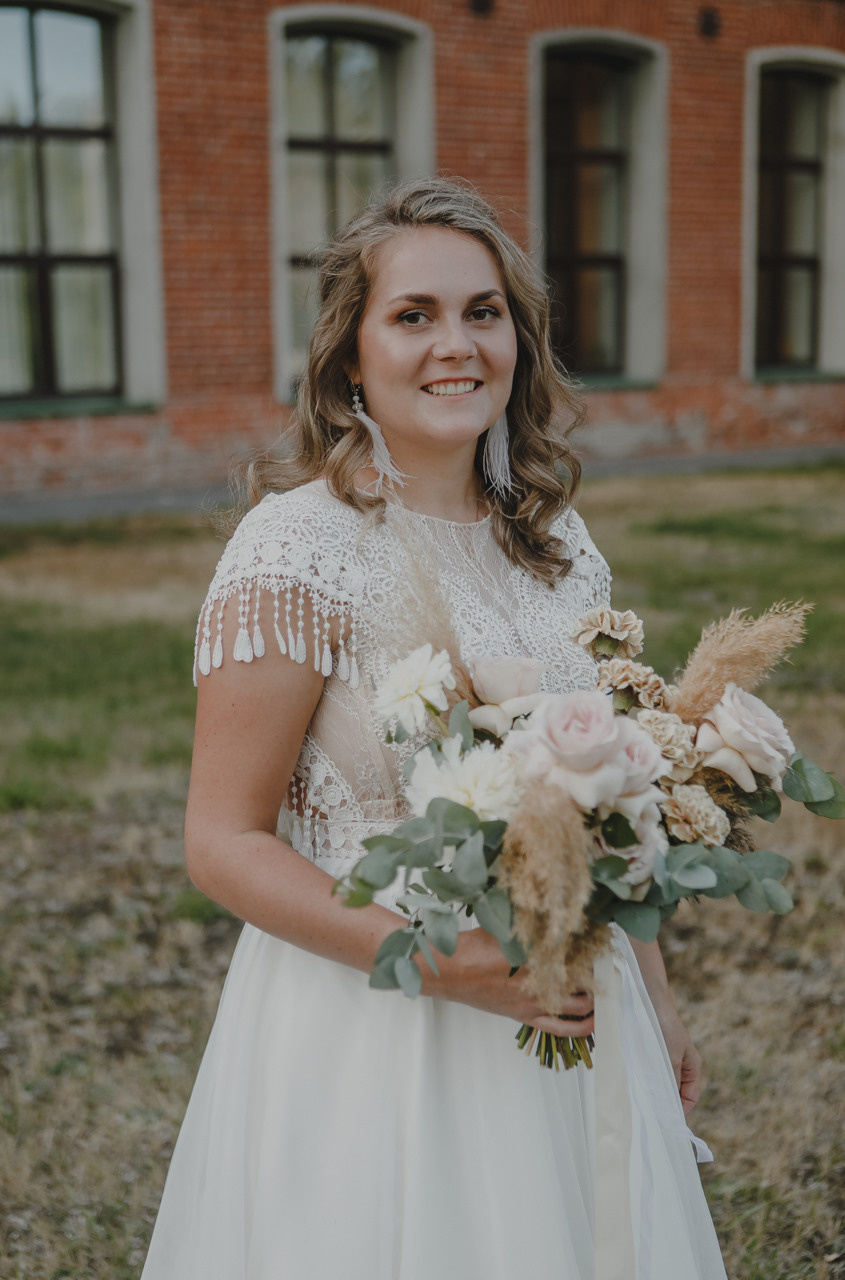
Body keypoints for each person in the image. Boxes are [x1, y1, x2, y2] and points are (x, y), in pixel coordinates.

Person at [141, 178, 728, 1279]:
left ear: (518, 336)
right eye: (413, 315)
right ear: (350, 354)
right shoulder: (297, 548)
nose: (455, 344)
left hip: (569, 1002)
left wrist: (652, 997)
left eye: (483, 310)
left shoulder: (556, 548)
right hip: (375, 1025)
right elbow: (222, 840)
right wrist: (453, 967)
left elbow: (605, 800)